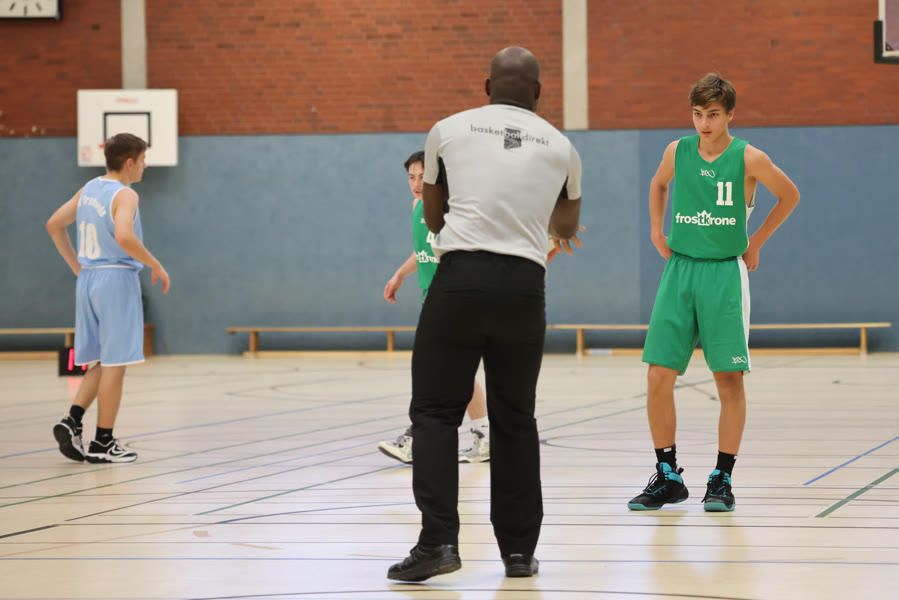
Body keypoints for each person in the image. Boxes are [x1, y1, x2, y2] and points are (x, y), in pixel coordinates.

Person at [387, 47, 582, 582]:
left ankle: (437, 543)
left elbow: (433, 219)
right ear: (538, 93)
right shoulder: (562, 147)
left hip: (459, 282)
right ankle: (518, 553)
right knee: (515, 418)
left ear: (486, 86)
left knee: (434, 413)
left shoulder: (447, 131)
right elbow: (566, 228)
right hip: (524, 288)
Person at [629, 73, 799, 512]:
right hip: (680, 271)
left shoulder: (750, 158)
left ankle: (722, 479)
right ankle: (667, 475)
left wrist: (755, 242)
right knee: (657, 375)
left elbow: (790, 195)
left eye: (713, 114)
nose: (704, 123)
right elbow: (658, 184)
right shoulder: (677, 151)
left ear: (730, 115)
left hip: (724, 273)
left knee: (728, 379)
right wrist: (656, 231)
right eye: (698, 114)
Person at [46, 133, 171, 464]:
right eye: (143, 160)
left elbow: (54, 225)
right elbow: (125, 236)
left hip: (88, 280)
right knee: (116, 363)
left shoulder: (89, 189)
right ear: (129, 162)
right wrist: (155, 264)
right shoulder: (125, 194)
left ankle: (72, 419)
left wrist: (79, 268)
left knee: (102, 360)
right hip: (116, 279)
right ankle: (103, 442)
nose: (145, 166)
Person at [379, 150, 491, 464]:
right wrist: (400, 274)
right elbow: (424, 251)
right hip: (432, 296)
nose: (416, 184)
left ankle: (417, 439)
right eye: (411, 177)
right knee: (458, 371)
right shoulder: (418, 206)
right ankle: (484, 437)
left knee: (434, 371)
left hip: (452, 299)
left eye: (422, 177)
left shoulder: (452, 208)